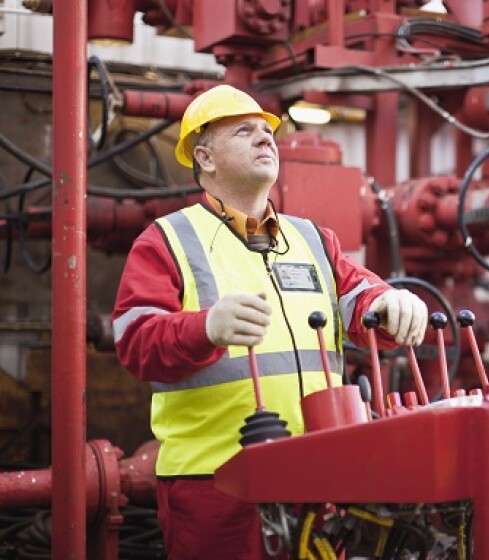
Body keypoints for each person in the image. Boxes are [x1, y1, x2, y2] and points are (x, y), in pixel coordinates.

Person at [112, 84, 427, 560]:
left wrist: (390, 302)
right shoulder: (166, 240)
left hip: (318, 476)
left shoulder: (313, 239)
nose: (266, 139)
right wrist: (205, 328)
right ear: (206, 158)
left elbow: (361, 299)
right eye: (245, 131)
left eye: (267, 131)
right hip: (216, 482)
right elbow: (135, 341)